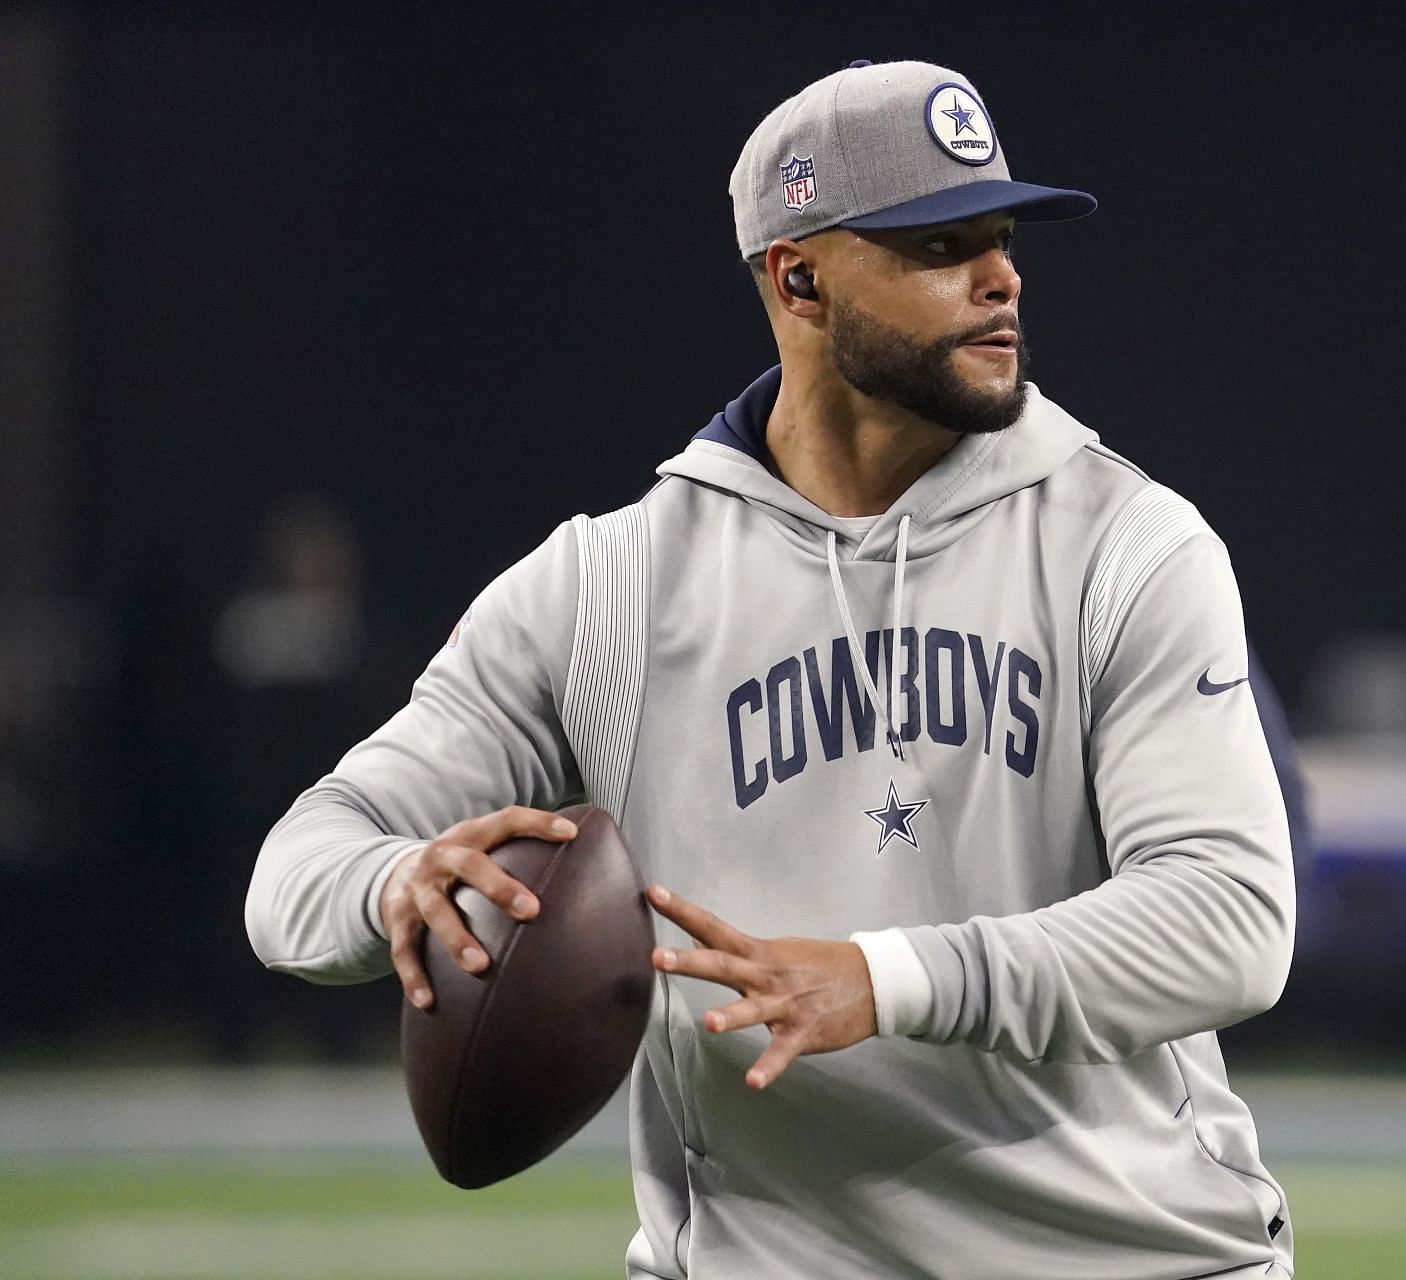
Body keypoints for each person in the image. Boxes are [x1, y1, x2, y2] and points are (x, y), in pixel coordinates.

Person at [247, 59, 1297, 1279]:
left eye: (1002, 237)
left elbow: (1231, 921)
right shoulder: (610, 588)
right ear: (797, 276)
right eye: (939, 242)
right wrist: (397, 885)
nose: (1001, 276)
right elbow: (294, 870)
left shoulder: (1127, 545)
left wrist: (886, 976)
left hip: (1123, 1257)